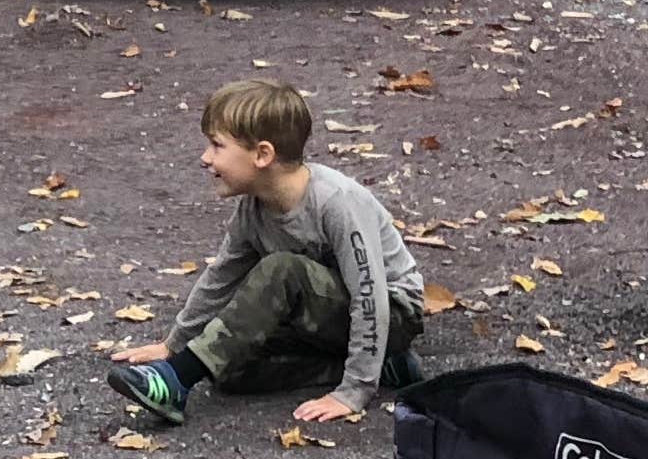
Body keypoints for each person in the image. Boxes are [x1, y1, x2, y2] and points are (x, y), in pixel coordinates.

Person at [107, 78, 423, 428]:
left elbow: (370, 297)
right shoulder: (253, 210)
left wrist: (355, 390)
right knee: (227, 368)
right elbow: (221, 278)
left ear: (262, 154)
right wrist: (175, 343)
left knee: (282, 270)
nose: (205, 158)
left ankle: (175, 380)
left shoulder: (336, 202)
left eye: (216, 145)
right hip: (326, 320)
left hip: (391, 315)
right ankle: (387, 367)